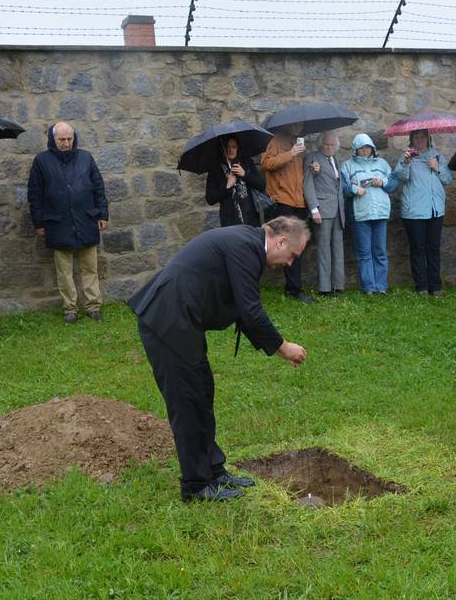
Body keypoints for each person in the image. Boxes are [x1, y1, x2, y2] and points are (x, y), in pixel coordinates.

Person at [128, 217, 310, 502]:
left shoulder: (247, 245)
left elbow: (242, 309)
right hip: (167, 320)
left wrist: (276, 348)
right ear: (282, 241)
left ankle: (213, 470)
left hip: (182, 322)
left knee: (202, 393)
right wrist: (283, 347)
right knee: (188, 402)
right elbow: (250, 310)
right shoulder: (244, 246)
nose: (289, 264)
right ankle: (196, 486)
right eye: (292, 256)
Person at [28, 122, 109, 324]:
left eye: (69, 139)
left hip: (86, 219)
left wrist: (103, 215)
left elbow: (98, 188)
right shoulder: (41, 161)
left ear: (74, 138)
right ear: (53, 139)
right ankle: (70, 308)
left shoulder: (86, 158)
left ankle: (93, 306)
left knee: (90, 267)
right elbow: (35, 195)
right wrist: (39, 223)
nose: (66, 143)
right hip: (57, 223)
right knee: (64, 271)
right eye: (62, 140)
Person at [393, 129, 453, 296]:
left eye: (423, 137)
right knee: (418, 249)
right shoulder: (407, 157)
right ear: (411, 139)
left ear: (428, 138)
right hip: (414, 211)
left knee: (433, 248)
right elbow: (400, 176)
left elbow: (448, 179)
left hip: (435, 210)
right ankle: (422, 287)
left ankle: (435, 286)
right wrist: (405, 162)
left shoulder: (438, 156)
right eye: (416, 137)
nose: (420, 140)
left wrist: (437, 168)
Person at [261, 123, 315, 304]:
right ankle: (293, 289)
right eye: (296, 125)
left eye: (301, 125)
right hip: (281, 201)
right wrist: (290, 154)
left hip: (298, 202)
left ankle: (294, 288)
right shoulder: (275, 140)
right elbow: (266, 163)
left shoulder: (296, 142)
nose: (299, 128)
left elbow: (296, 174)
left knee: (297, 245)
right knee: (280, 245)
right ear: (288, 124)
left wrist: (311, 167)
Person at [341, 134, 393, 295]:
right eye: (361, 148)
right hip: (360, 214)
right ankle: (369, 287)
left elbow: (393, 184)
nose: (365, 151)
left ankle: (382, 286)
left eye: (367, 147)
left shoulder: (382, 164)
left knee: (380, 251)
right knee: (364, 253)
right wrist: (355, 189)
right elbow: (342, 188)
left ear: (372, 148)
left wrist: (382, 182)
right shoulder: (347, 166)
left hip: (380, 213)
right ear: (355, 150)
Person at [303, 132, 346, 295]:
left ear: (336, 146)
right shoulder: (312, 158)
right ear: (320, 145)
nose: (329, 147)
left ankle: (338, 285)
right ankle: (325, 288)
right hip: (322, 210)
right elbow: (308, 185)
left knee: (338, 249)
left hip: (338, 211)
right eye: (326, 144)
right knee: (323, 250)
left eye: (332, 145)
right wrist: (314, 209)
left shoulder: (335, 160)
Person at [205, 135, 265, 228]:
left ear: (238, 148)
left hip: (251, 218)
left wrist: (244, 174)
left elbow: (261, 185)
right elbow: (210, 199)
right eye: (227, 147)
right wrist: (227, 186)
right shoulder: (215, 170)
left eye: (234, 147)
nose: (231, 150)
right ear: (223, 149)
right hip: (230, 221)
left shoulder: (247, 163)